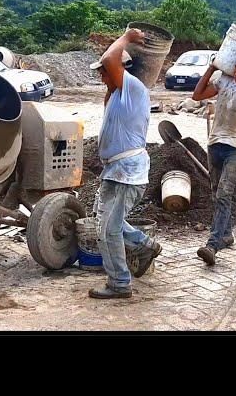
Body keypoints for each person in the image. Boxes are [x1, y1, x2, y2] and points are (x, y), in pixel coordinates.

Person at [88, 28, 162, 299]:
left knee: (109, 230)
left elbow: (110, 58)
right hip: (115, 170)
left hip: (126, 172)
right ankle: (144, 245)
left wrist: (128, 38)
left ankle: (120, 283)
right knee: (103, 219)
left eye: (104, 71)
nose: (101, 75)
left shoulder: (133, 87)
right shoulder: (117, 94)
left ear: (120, 69)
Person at [191, 31, 236, 266]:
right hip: (215, 145)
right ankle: (227, 234)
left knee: (224, 193)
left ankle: (213, 244)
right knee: (218, 194)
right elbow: (197, 95)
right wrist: (212, 69)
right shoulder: (225, 82)